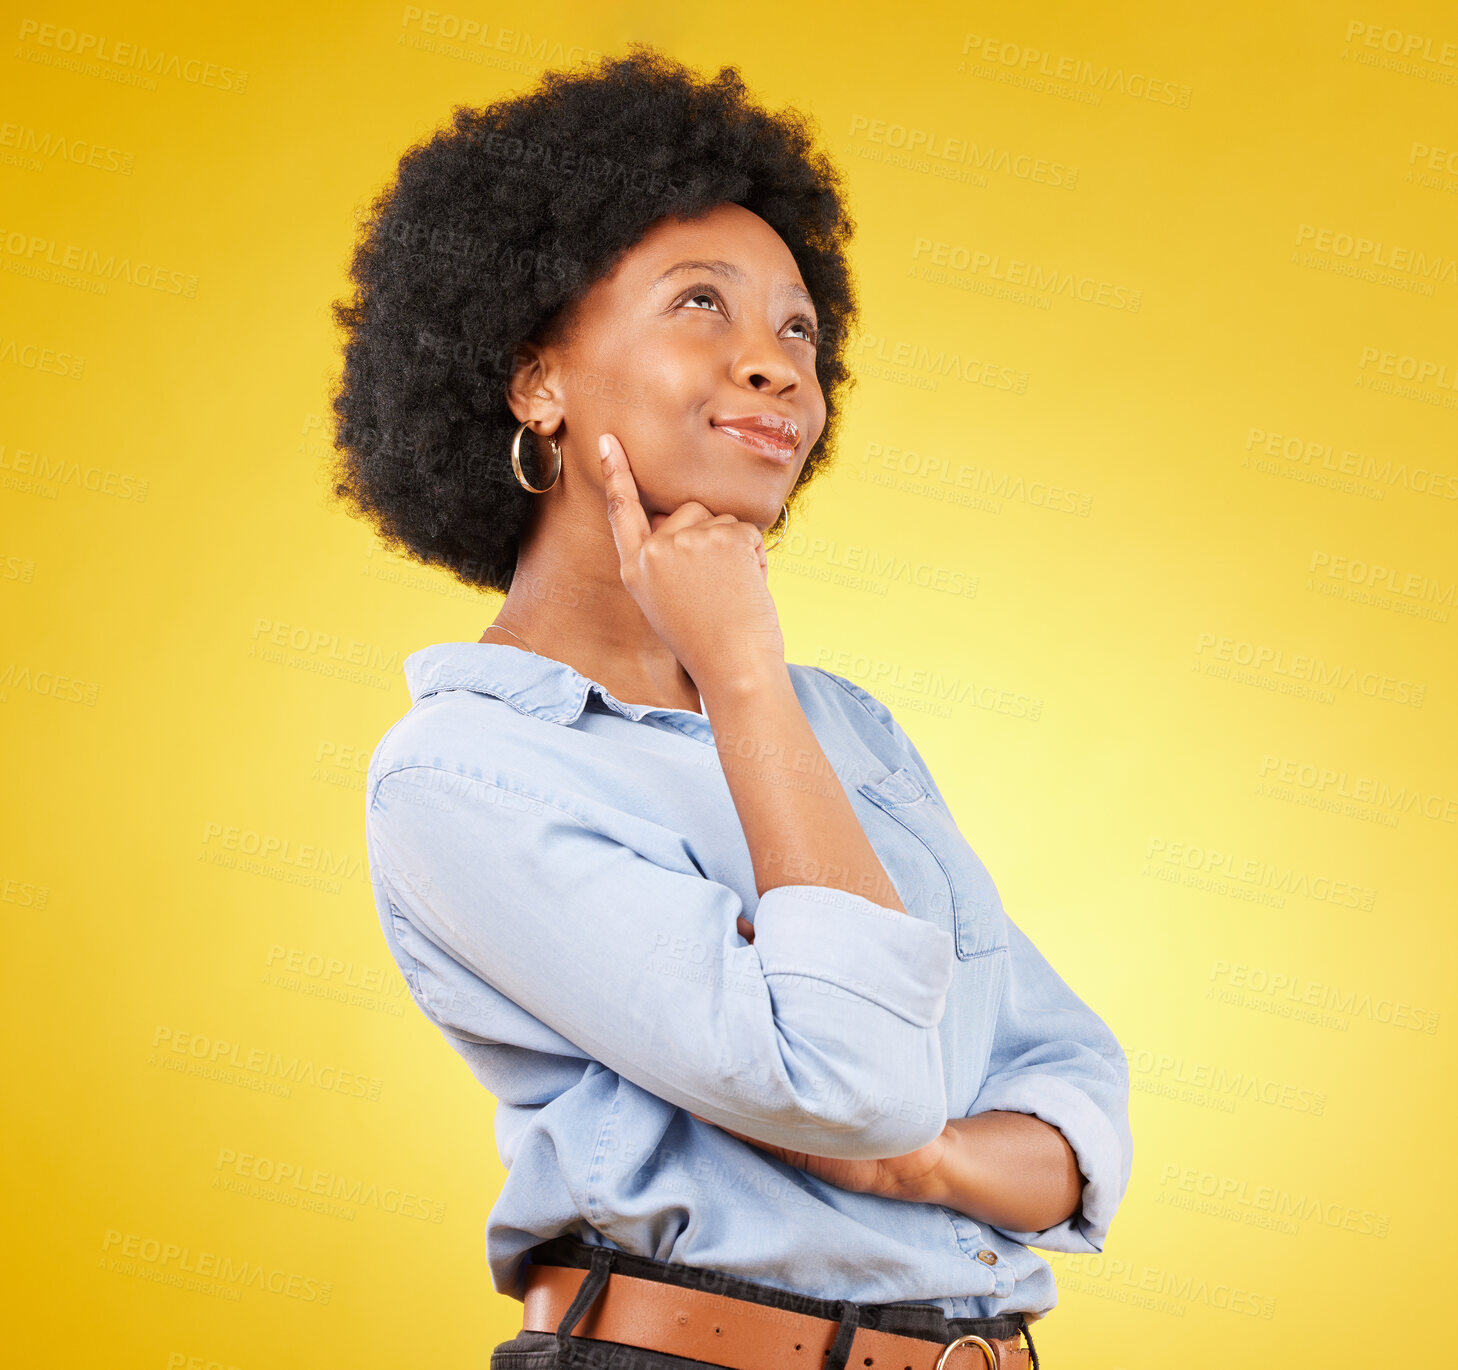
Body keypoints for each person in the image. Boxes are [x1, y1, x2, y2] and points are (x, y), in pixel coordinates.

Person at [329, 44, 1132, 1370]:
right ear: (536, 376)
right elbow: (852, 1082)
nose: (774, 365)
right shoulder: (465, 770)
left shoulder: (850, 726)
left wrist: (921, 1159)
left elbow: (1071, 1090)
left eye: (798, 327)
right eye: (698, 303)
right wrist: (744, 668)